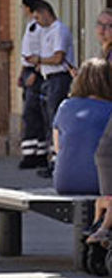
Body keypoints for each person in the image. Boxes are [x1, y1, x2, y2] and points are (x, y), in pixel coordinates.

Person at [52, 59, 112, 196]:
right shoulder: (109, 109)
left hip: (65, 182)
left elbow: (57, 147)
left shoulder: (65, 106)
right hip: (102, 183)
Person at [30, 0, 75, 176]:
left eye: (37, 17)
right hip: (49, 79)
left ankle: (59, 163)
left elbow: (58, 58)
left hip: (59, 79)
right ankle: (53, 161)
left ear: (45, 13)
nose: (37, 22)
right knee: (49, 120)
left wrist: (39, 60)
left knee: (56, 120)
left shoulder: (59, 30)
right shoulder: (47, 31)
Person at [18, 0, 47, 168]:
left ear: (28, 8)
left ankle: (35, 155)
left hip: (36, 73)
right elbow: (26, 53)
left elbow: (43, 52)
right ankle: (32, 152)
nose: (21, 10)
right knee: (30, 113)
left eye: (22, 7)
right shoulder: (31, 26)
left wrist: (35, 73)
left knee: (32, 112)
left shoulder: (39, 28)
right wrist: (22, 73)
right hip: (28, 70)